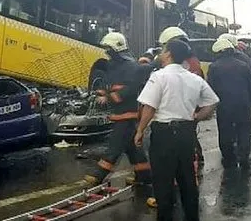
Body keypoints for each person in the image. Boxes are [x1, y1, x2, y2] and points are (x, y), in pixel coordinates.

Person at [135, 39, 220, 221]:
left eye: (164, 50)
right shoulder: (194, 78)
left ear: (168, 54)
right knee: (187, 180)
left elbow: (149, 107)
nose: (161, 53)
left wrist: (140, 130)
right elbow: (212, 101)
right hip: (186, 133)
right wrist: (196, 116)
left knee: (163, 182)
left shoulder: (159, 76)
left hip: (164, 134)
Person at [84, 33, 152, 188]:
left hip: (127, 114)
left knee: (114, 146)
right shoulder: (113, 65)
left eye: (109, 48)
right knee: (132, 148)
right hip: (119, 113)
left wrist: (109, 97)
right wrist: (100, 94)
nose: (107, 52)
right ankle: (145, 175)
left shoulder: (131, 66)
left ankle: (98, 176)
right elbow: (107, 84)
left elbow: (130, 89)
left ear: (116, 48)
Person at [157, 27, 205, 170]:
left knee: (184, 135)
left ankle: (190, 163)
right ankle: (196, 158)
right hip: (190, 103)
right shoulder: (192, 60)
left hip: (184, 104)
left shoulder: (184, 63)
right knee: (188, 133)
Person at [207, 38, 251, 168]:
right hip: (243, 104)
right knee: (244, 130)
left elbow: (210, 89)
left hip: (224, 105)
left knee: (225, 130)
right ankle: (244, 155)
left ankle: (229, 157)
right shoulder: (243, 65)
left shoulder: (214, 67)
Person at [218, 33, 251, 133]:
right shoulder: (244, 58)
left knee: (227, 130)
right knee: (243, 131)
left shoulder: (220, 59)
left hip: (225, 102)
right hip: (243, 101)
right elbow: (250, 80)